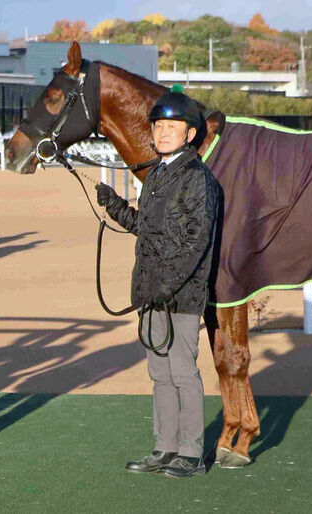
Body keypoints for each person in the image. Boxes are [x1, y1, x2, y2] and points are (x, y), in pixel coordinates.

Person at [95, 87, 219, 479]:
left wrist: (169, 285)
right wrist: (115, 206)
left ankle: (192, 453)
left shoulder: (197, 179)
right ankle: (165, 447)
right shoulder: (157, 175)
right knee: (160, 374)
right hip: (151, 292)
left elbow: (196, 240)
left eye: (172, 127)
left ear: (190, 134)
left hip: (180, 295)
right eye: (159, 126)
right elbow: (146, 228)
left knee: (182, 372)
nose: (163, 133)